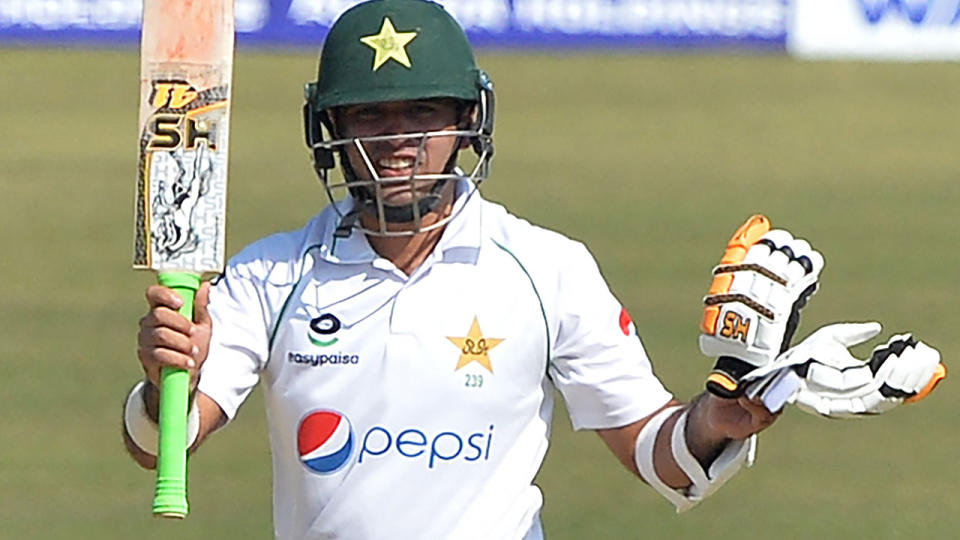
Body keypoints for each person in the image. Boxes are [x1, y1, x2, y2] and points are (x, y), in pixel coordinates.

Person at [122, 1, 945, 538]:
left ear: (467, 120)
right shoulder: (271, 276)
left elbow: (661, 457)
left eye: (424, 112)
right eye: (370, 115)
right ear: (330, 128)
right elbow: (159, 440)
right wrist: (166, 377)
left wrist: (721, 419)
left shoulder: (546, 270)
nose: (398, 137)